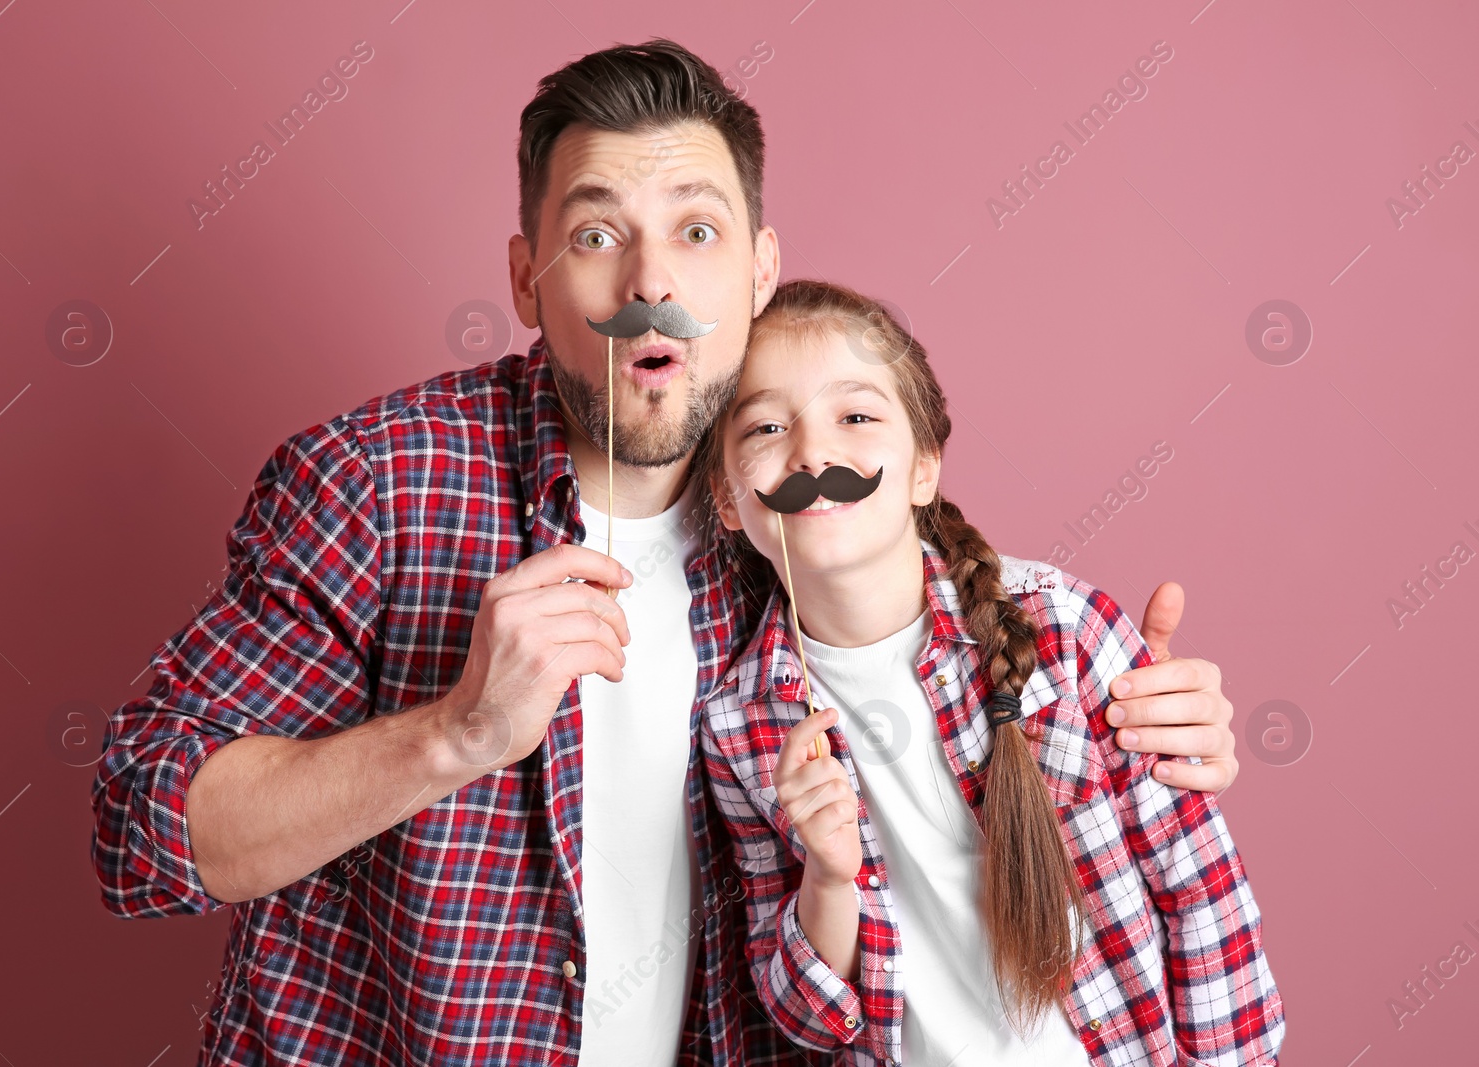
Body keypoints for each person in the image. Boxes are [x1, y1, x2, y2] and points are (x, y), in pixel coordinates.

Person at [91, 39, 1244, 1067]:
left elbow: (960, 651)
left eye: (695, 231)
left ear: (755, 270)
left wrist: (1135, 713)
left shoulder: (779, 515)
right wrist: (457, 733)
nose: (651, 283)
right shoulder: (376, 484)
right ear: (525, 277)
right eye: (596, 235)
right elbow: (145, 831)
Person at [696, 278, 1284, 1066]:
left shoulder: (1066, 631)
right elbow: (806, 1020)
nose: (812, 453)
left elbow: (1198, 889)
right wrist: (828, 881)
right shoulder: (738, 725)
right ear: (728, 499)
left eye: (857, 416)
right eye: (767, 427)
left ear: (923, 468)